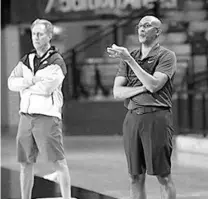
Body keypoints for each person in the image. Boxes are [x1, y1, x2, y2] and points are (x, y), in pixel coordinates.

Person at [107, 16, 177, 199]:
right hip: (132, 118)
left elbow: (154, 85)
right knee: (134, 176)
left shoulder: (166, 56)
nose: (142, 29)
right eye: (139, 26)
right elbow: (117, 92)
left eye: (147, 26)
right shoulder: (129, 56)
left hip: (156, 117)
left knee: (163, 175)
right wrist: (142, 87)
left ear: (158, 32)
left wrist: (130, 61)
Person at [8, 19, 73, 199]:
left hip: (47, 117)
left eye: (40, 34)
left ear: (49, 36)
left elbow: (47, 89)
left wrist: (25, 86)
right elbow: (11, 83)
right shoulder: (27, 60)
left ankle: (67, 197)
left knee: (58, 161)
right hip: (26, 117)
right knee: (25, 163)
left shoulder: (56, 61)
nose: (35, 37)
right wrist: (30, 81)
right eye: (33, 34)